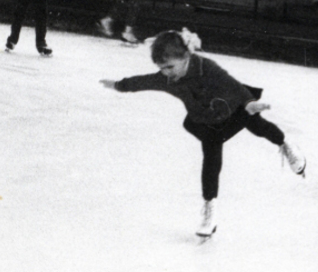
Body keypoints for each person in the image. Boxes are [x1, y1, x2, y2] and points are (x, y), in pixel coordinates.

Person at [100, 29, 306, 239]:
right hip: (207, 121)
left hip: (233, 107)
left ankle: (286, 144)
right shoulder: (166, 78)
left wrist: (249, 102)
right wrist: (119, 85)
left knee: (257, 125)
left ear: (186, 56)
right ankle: (210, 209)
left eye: (170, 66)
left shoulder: (206, 67)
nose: (166, 73)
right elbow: (143, 81)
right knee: (211, 156)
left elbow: (233, 85)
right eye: (162, 68)